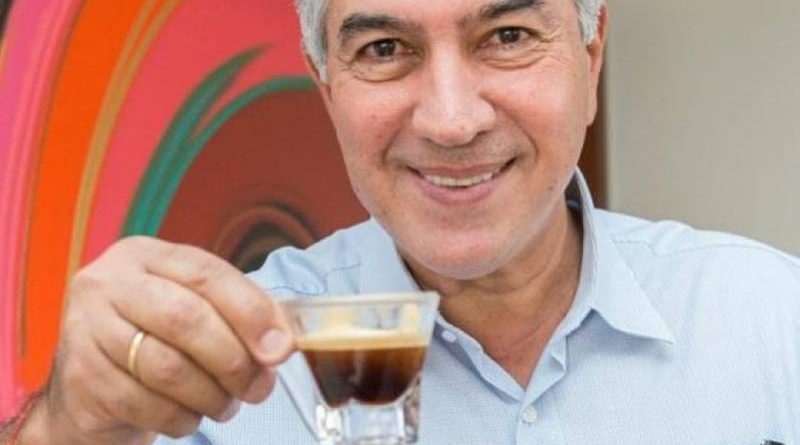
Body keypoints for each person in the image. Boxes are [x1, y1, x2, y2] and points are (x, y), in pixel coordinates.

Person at [4, 0, 800, 443]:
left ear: (590, 61)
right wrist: (66, 426)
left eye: (508, 37)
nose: (451, 120)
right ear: (327, 90)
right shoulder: (224, 367)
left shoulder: (771, 319)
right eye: (385, 49)